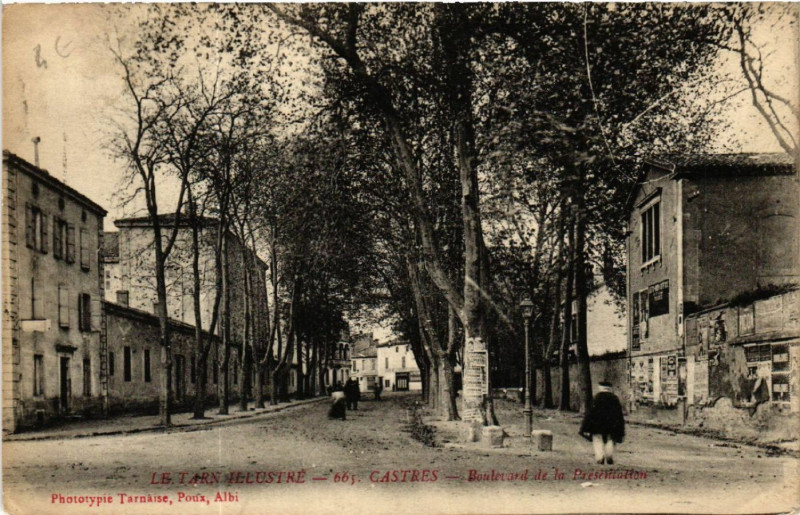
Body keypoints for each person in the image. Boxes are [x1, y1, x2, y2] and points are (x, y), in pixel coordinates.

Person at [579, 381, 625, 465]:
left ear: (600, 388)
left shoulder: (596, 397)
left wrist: (585, 426)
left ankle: (600, 457)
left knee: (597, 439)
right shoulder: (615, 398)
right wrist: (620, 427)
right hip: (611, 423)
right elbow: (619, 414)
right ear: (610, 388)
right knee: (610, 439)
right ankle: (609, 455)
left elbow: (590, 413)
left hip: (597, 424)